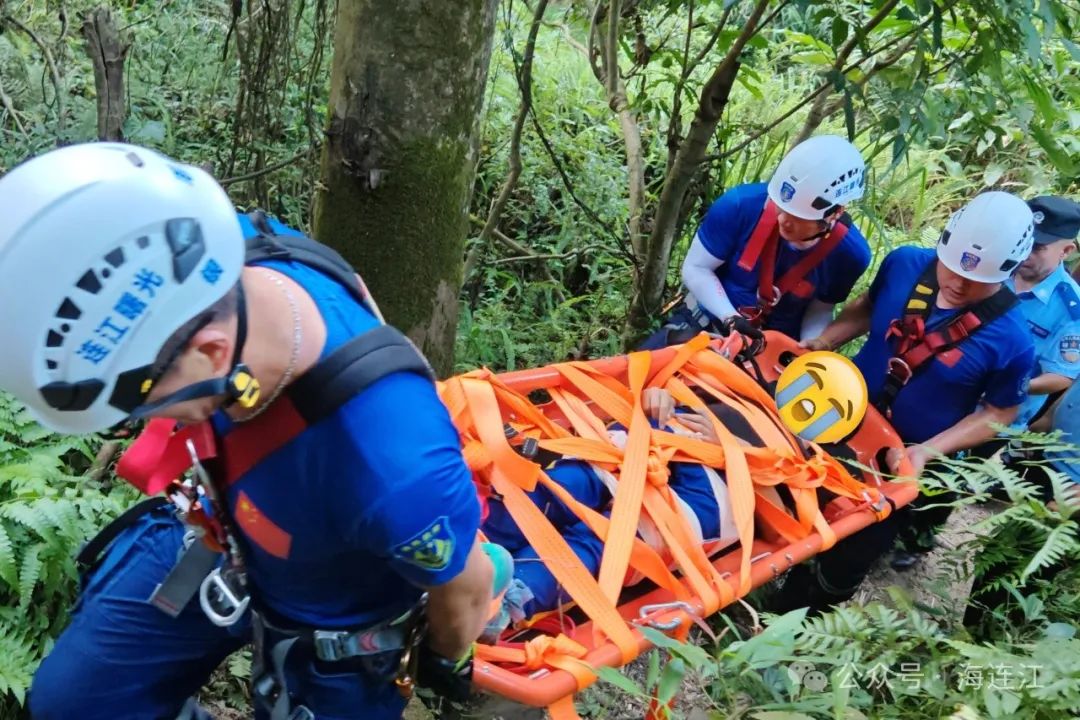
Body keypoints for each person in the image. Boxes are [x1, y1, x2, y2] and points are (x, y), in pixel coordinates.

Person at [3, 143, 494, 720]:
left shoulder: (390, 459)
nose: (147, 424)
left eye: (141, 406)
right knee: (74, 707)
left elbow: (466, 588)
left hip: (334, 629)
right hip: (216, 532)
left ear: (211, 353)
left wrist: (443, 655)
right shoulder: (202, 250)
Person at [790, 190, 1036, 592]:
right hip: (842, 414)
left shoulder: (1012, 341)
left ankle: (799, 616)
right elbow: (868, 308)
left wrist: (926, 451)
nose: (956, 282)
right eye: (952, 266)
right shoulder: (904, 264)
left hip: (901, 455)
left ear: (1006, 271)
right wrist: (825, 341)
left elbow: (999, 412)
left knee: (849, 554)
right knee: (790, 496)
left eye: (975, 279)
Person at [639, 134, 872, 349]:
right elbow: (696, 268)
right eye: (782, 206)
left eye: (797, 216)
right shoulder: (741, 206)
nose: (783, 219)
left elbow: (821, 308)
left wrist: (810, 345)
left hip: (772, 349)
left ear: (834, 213)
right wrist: (731, 318)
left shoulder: (849, 256)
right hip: (707, 323)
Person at [1005, 196, 1080, 430]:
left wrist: (1009, 386)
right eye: (1022, 241)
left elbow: (1061, 376)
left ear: (1066, 251)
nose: (1024, 252)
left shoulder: (1071, 310)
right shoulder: (996, 269)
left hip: (1000, 416)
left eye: (1037, 247)